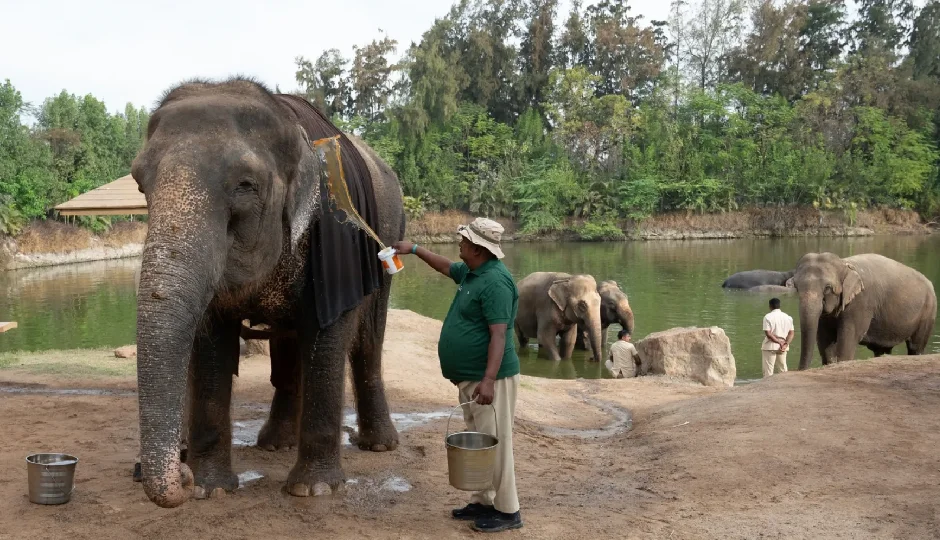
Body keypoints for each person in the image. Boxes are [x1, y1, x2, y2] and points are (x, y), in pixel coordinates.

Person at [392, 217, 522, 533]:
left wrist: (488, 380)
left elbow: (499, 335)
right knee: (480, 441)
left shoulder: (495, 283)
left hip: (491, 380)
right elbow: (446, 267)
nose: (459, 243)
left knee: (497, 443)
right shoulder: (473, 272)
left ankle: (508, 511)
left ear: (478, 249)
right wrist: (414, 249)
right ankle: (483, 501)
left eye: (464, 240)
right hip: (471, 378)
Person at [761, 297, 794, 377]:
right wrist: (785, 344)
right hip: (783, 347)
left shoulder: (768, 317)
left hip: (770, 346)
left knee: (768, 371)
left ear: (770, 306)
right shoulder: (788, 317)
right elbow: (791, 333)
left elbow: (768, 333)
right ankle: (785, 383)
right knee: (783, 369)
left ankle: (768, 384)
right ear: (779, 305)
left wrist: (778, 342)